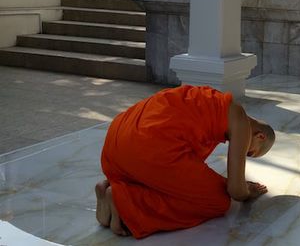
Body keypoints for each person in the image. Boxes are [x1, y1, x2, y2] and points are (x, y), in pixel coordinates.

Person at [94, 84, 275, 239]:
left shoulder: (213, 101)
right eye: (250, 153)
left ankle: (114, 189)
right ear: (260, 136)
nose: (244, 153)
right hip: (145, 146)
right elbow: (235, 191)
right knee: (217, 201)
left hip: (117, 140)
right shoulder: (241, 121)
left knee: (183, 190)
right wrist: (247, 191)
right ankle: (122, 200)